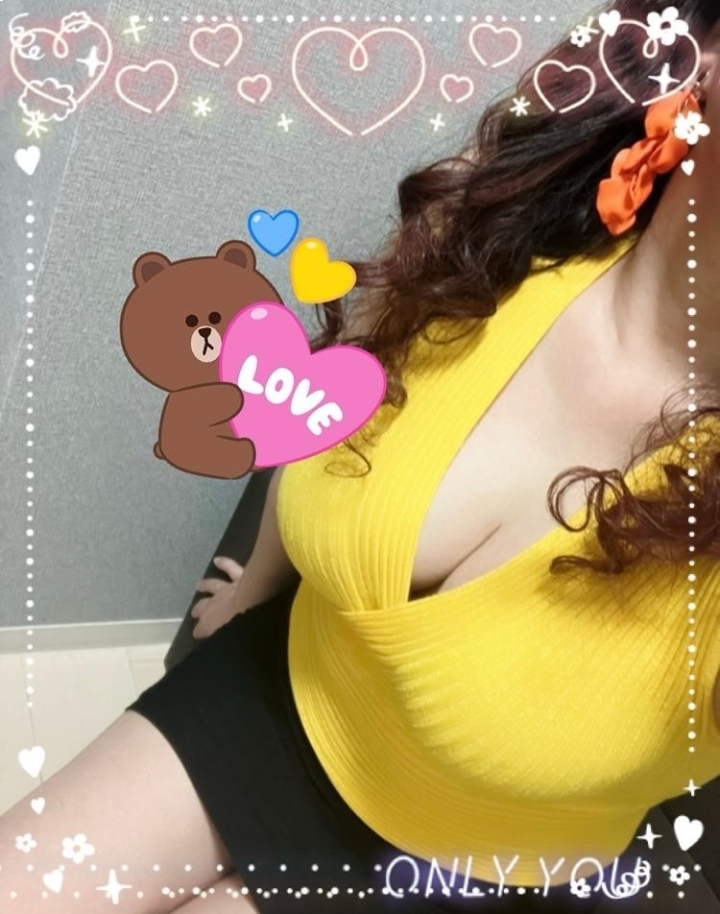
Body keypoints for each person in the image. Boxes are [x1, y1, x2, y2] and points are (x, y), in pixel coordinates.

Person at [3, 1, 720, 911]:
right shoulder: (496, 238)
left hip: (471, 861)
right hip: (291, 694)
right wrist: (253, 582)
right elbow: (327, 407)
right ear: (698, 62)